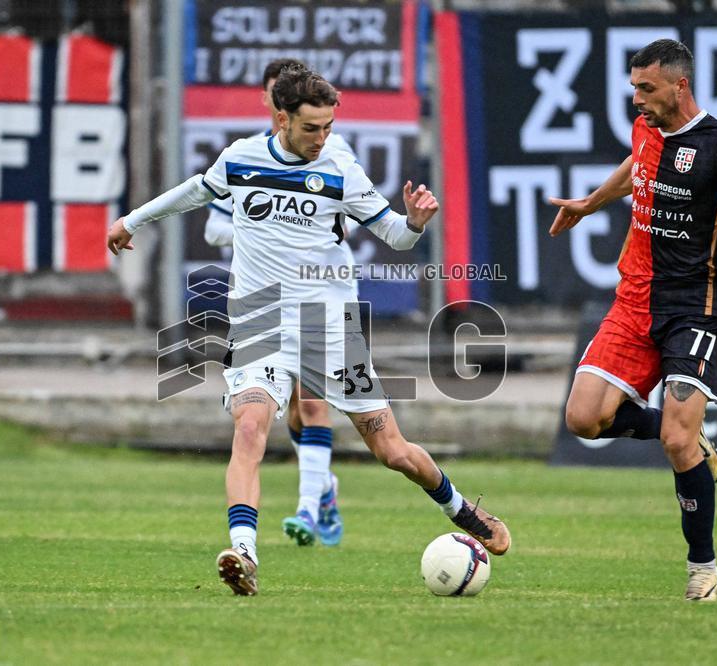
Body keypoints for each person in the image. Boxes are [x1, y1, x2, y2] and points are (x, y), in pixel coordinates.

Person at [108, 65, 511, 596]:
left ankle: (459, 508)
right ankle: (244, 553)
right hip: (258, 321)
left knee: (392, 451)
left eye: (328, 126)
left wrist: (415, 221)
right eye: (311, 128)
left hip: (329, 329)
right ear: (281, 119)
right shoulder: (242, 158)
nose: (323, 138)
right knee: (250, 428)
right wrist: (131, 221)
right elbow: (194, 192)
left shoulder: (341, 166)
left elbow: (394, 237)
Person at [549, 39, 717, 601]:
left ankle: (704, 569)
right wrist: (591, 202)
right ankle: (701, 443)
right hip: (633, 302)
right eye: (633, 89)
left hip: (696, 310)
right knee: (583, 419)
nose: (637, 100)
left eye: (645, 89)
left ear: (680, 86)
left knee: (676, 440)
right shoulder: (649, 127)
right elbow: (638, 167)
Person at [203, 58, 358, 550]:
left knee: (311, 401)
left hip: (324, 293)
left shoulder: (332, 151)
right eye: (273, 96)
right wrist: (257, 228)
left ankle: (308, 510)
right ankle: (324, 487)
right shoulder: (246, 158)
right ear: (270, 104)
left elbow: (354, 218)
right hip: (265, 301)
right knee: (277, 412)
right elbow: (212, 226)